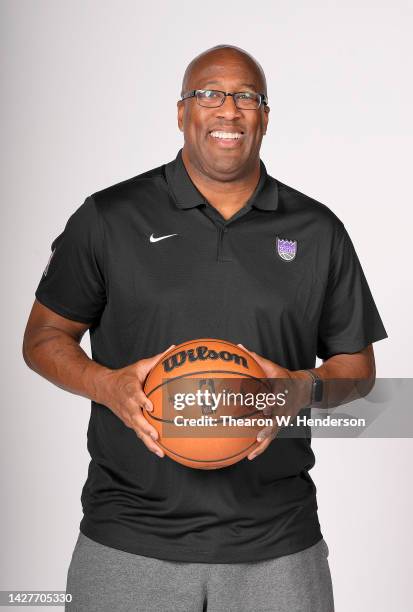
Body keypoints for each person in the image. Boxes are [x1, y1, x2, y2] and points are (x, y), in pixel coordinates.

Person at [22, 44, 387, 612]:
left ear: (264, 116)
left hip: (278, 543)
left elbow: (358, 371)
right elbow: (42, 338)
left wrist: (300, 388)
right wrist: (108, 386)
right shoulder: (110, 217)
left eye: (246, 96)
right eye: (209, 93)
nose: (228, 109)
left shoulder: (317, 231)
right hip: (128, 538)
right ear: (181, 112)